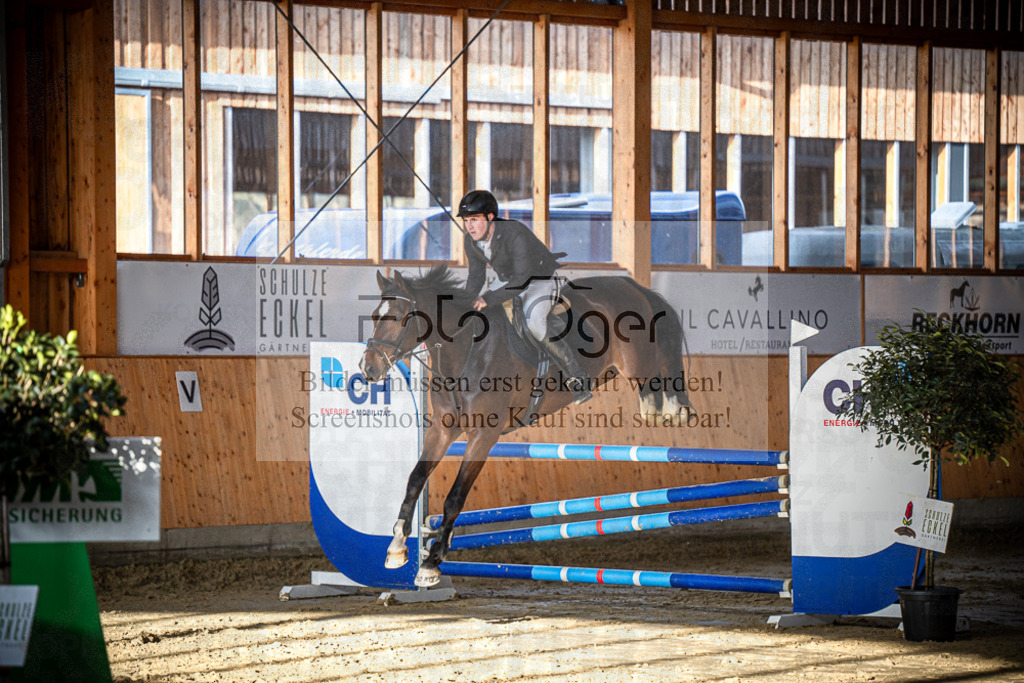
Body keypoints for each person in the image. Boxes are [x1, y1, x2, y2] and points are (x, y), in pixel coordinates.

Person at [457, 189, 591, 405]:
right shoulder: (470, 241)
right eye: (466, 221)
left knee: (535, 322)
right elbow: (476, 276)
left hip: (538, 280)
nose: (469, 226)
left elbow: (522, 281)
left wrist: (487, 299)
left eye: (474, 219)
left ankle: (576, 376)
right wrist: (464, 302)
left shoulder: (515, 233)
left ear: (490, 217)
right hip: (507, 280)